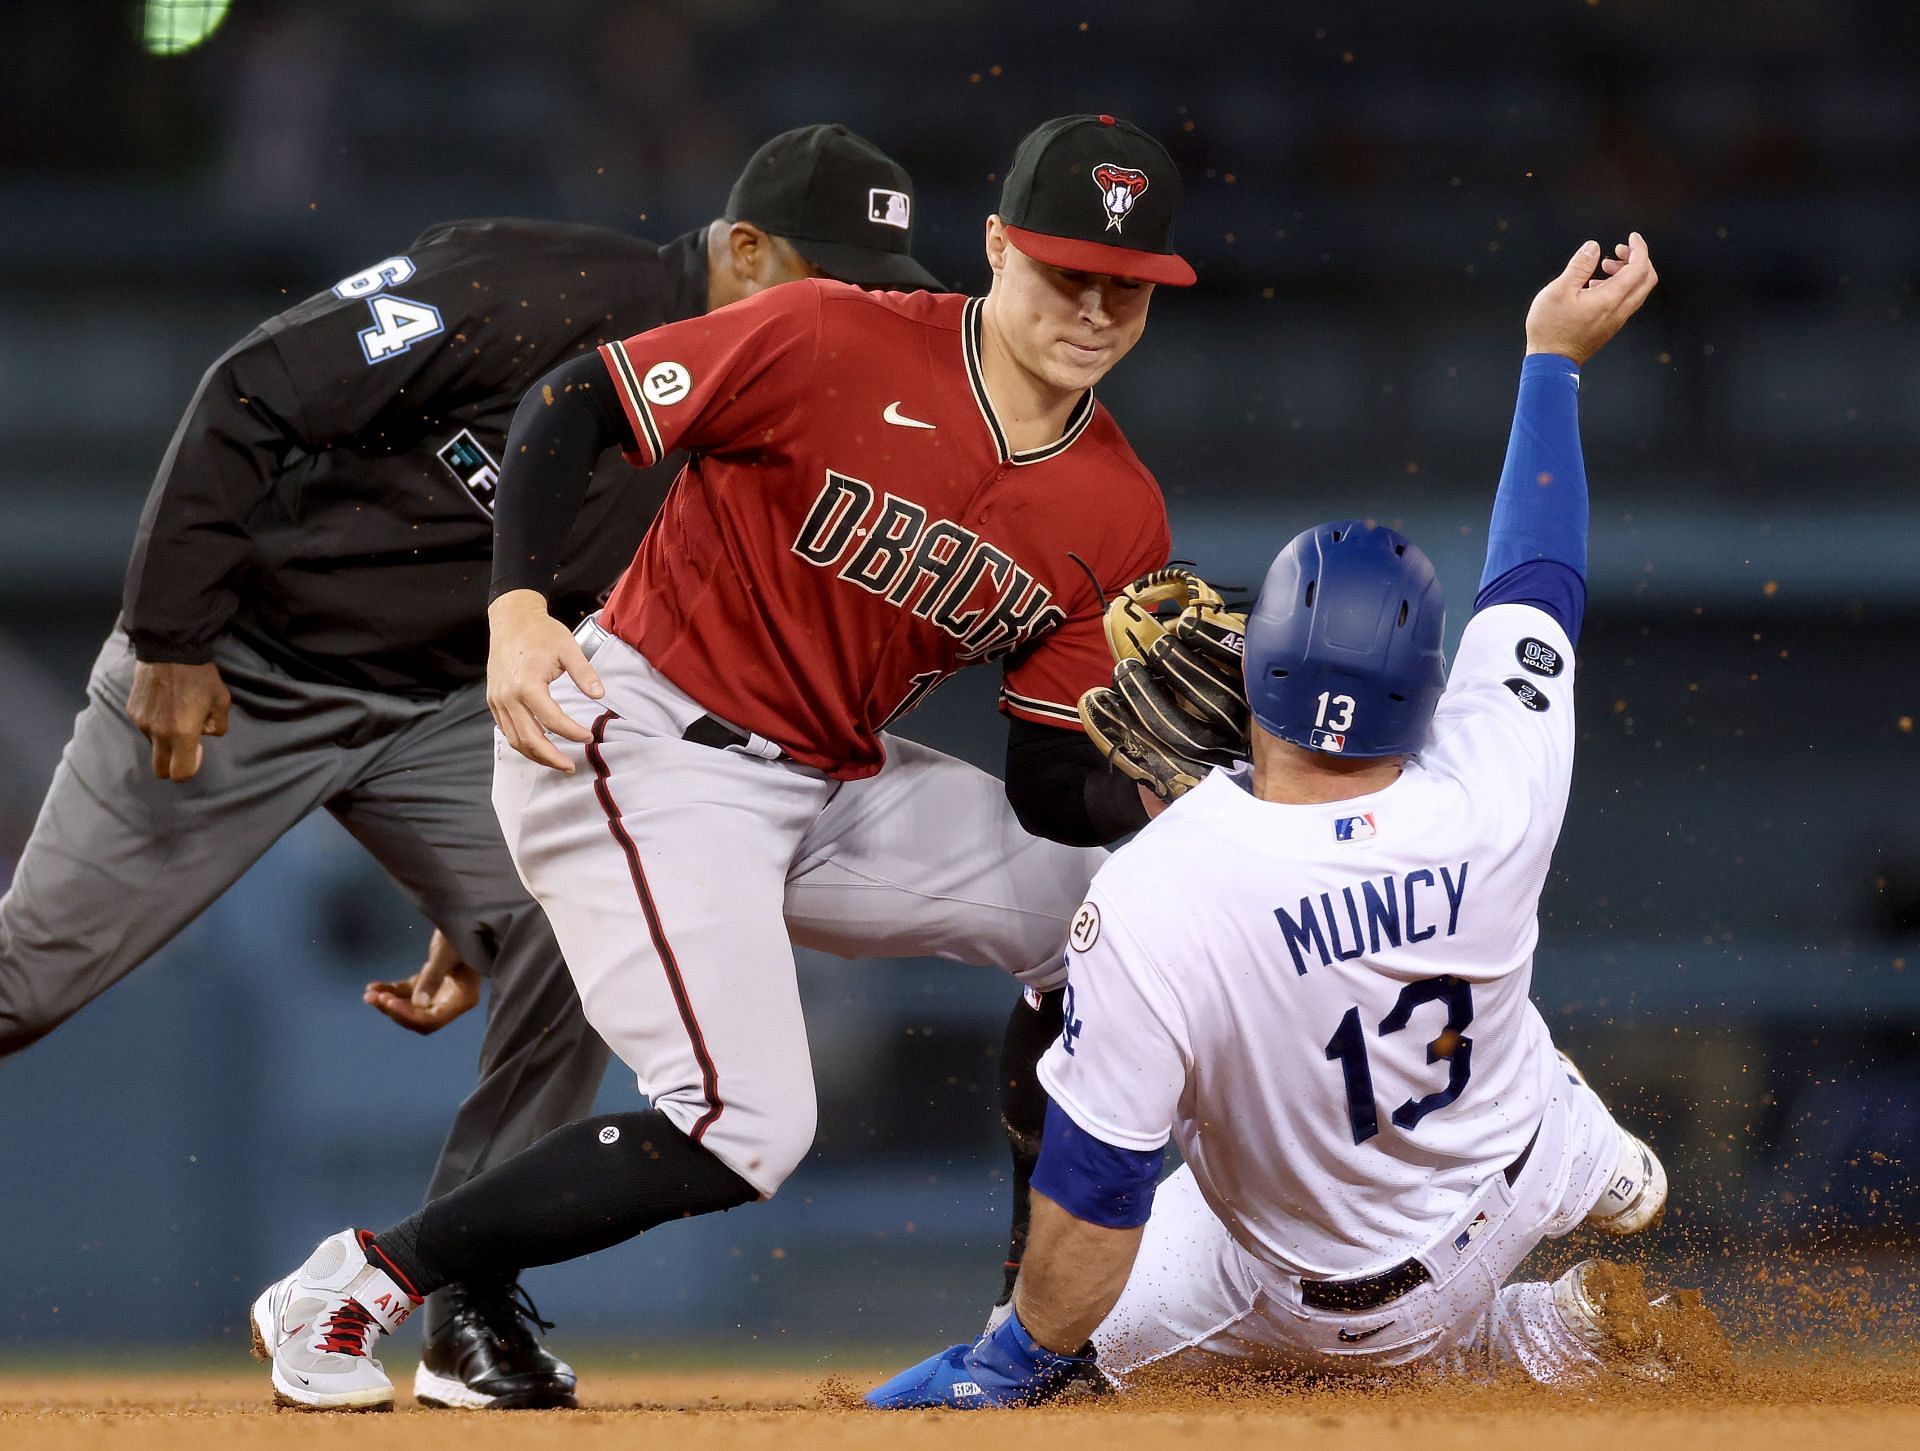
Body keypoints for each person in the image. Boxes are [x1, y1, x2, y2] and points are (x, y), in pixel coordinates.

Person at [248, 112, 1200, 1412]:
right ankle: (359, 1276)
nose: (1094, 305)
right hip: (641, 736)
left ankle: (1031, 1341)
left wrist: (1163, 786)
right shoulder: (833, 332)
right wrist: (519, 608)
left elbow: (1048, 785)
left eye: (1127, 283)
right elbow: (570, 401)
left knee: (1109, 926)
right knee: (745, 1120)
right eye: (1064, 269)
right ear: (994, 249)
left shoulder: (1116, 507)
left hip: (827, 779)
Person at [0, 123, 939, 1411]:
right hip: (243, 673)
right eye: (829, 275)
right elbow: (249, 387)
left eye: (877, 285)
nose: (855, 307)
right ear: (740, 248)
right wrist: (171, 631)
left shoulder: (769, 419)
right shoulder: (533, 285)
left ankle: (464, 1298)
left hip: (445, 712)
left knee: (574, 912)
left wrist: (473, 881)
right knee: (27, 977)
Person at [866, 233, 1715, 1409]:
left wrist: (1019, 1354)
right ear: (1425, 688)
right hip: (1515, 1156)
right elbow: (1538, 574)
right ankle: (1590, 1182)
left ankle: (1538, 1339)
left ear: (1253, 674)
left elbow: (1101, 1185)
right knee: (1501, 1046)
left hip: (1331, 1289)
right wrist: (1550, 360)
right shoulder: (1492, 770)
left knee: (1087, 1360)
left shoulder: (1163, 887)